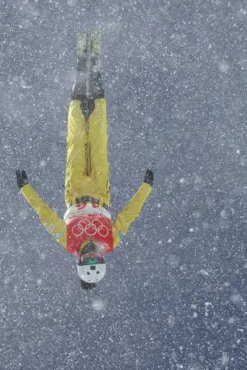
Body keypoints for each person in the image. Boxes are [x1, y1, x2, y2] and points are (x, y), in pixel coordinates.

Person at [16, 32, 153, 289]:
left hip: (76, 189)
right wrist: (146, 188)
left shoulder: (67, 240)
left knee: (78, 137)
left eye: (87, 259)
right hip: (100, 190)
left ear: (79, 260)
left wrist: (26, 189)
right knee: (98, 137)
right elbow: (130, 214)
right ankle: (97, 81)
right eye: (96, 259)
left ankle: (80, 81)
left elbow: (44, 214)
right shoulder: (111, 240)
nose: (91, 254)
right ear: (101, 257)